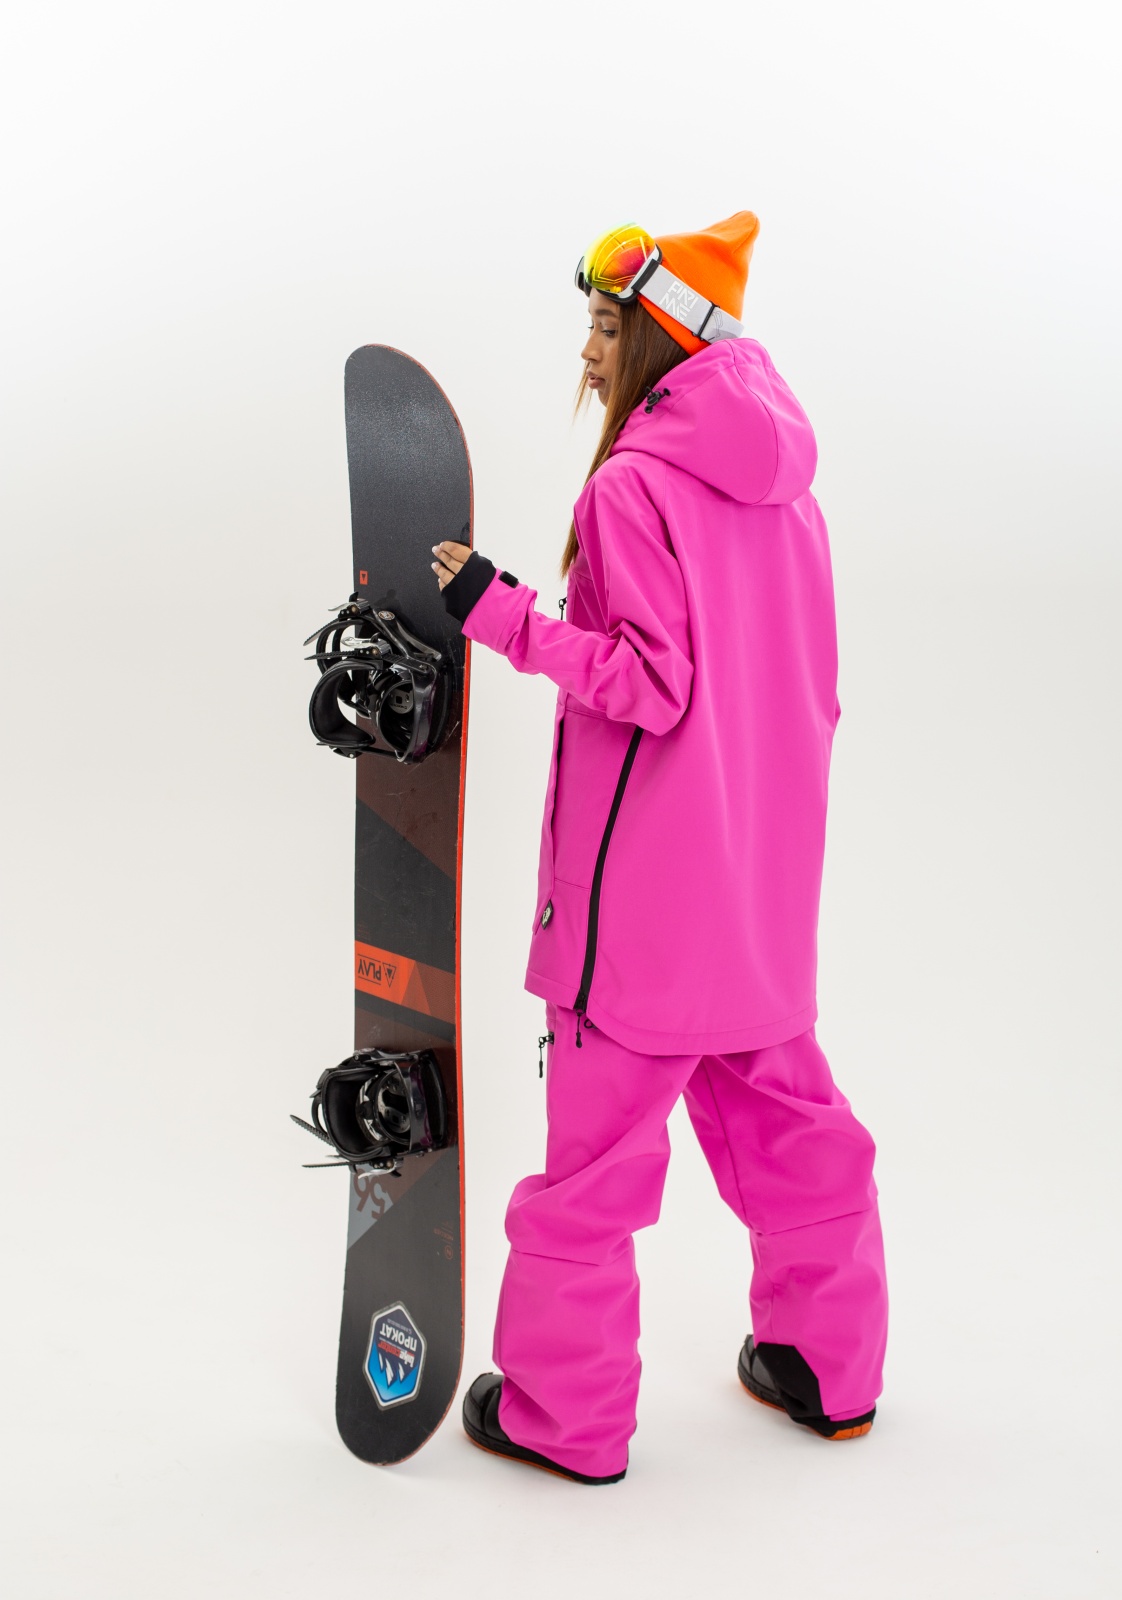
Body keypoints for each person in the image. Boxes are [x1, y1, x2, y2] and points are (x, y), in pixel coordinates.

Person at [431, 213, 888, 1485]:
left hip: (636, 916)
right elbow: (801, 691)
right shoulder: (791, 498)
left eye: (604, 326)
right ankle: (827, 1369)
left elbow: (648, 682)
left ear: (662, 337)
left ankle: (562, 1416)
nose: (587, 353)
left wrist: (502, 615)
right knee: (798, 1137)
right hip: (756, 901)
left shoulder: (629, 487)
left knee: (591, 1173)